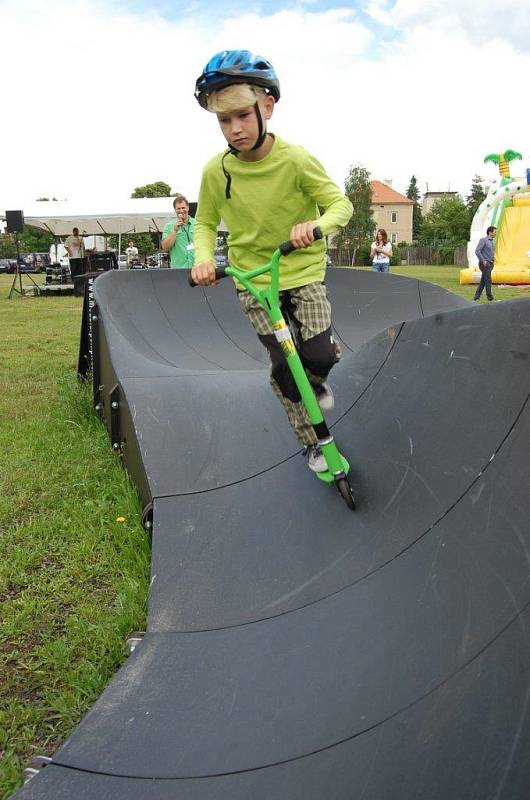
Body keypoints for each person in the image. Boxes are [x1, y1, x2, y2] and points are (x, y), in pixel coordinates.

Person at [190, 50, 353, 473]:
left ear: (267, 106)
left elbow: (340, 205)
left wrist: (314, 226)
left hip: (301, 271)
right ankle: (313, 443)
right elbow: (204, 222)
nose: (235, 129)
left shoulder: (296, 160)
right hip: (253, 281)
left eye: (242, 115)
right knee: (286, 365)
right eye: (224, 121)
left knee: (317, 356)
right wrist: (204, 259)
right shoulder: (215, 171)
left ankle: (312, 380)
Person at [161, 195, 196, 268]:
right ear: (175, 210)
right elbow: (164, 248)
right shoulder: (169, 226)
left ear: (188, 208)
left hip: (197, 268)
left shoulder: (197, 224)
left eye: (183, 208)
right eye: (178, 208)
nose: (181, 211)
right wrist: (174, 231)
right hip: (178, 269)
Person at [474, 226, 496, 302]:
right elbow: (477, 251)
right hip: (485, 264)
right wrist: (483, 260)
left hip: (490, 263)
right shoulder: (483, 240)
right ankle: (490, 299)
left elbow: (491, 253)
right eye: (494, 231)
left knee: (483, 281)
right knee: (488, 281)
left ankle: (476, 298)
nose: (495, 233)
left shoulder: (492, 241)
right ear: (490, 232)